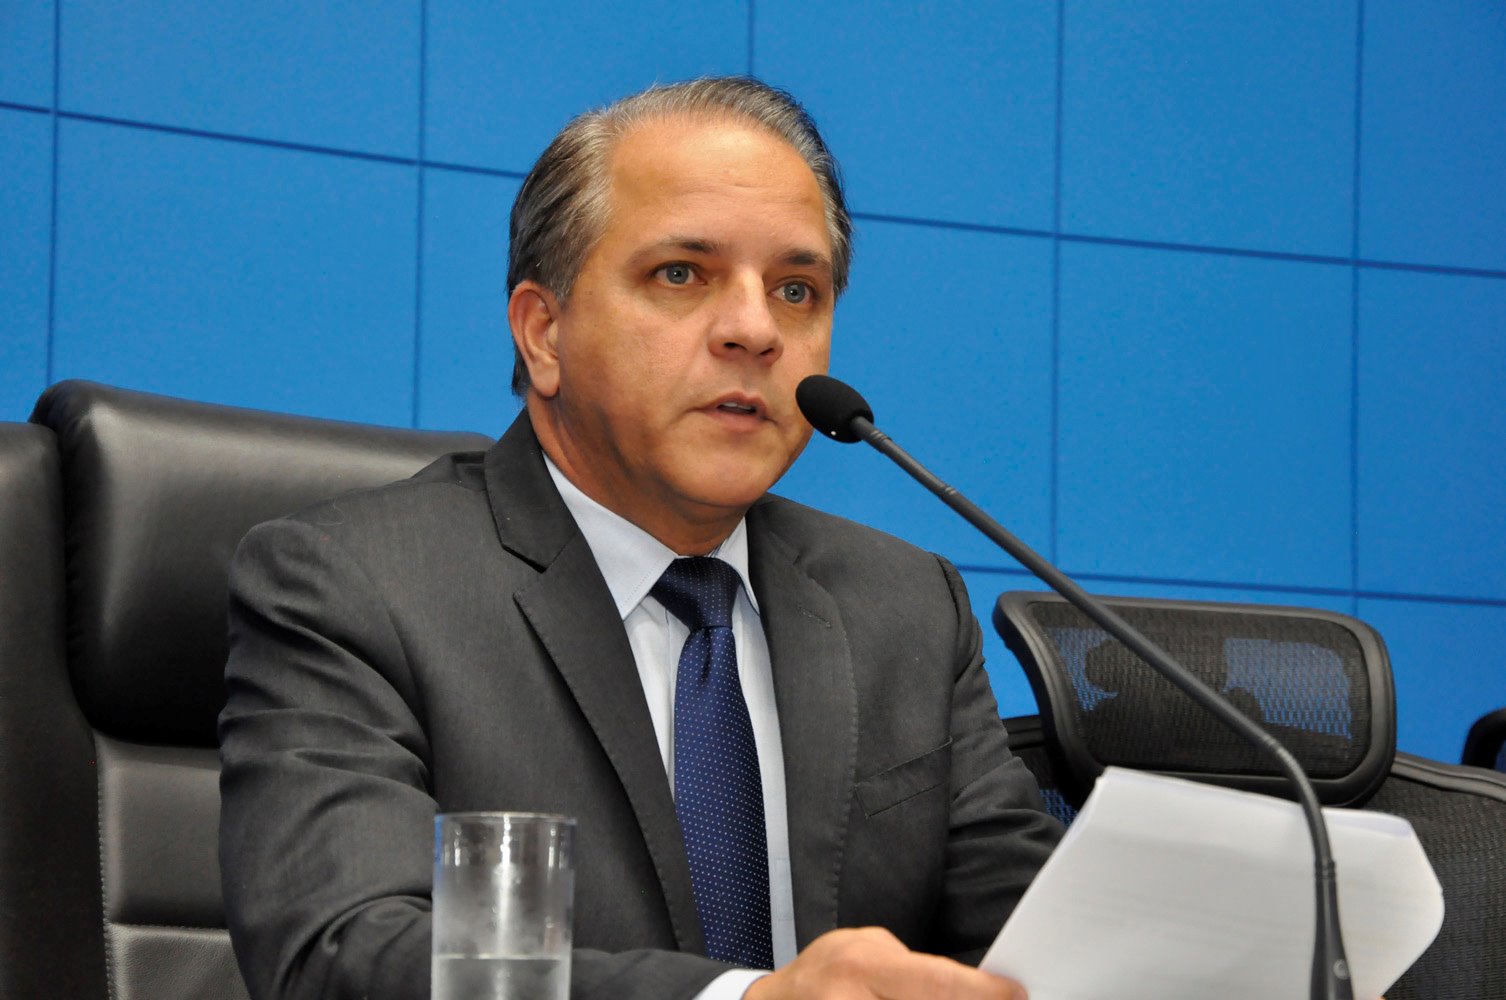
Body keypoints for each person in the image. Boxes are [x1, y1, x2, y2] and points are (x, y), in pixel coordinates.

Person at [218, 76, 1063, 1000]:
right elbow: (344, 953)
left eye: (796, 290)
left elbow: (1042, 945)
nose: (755, 331)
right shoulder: (353, 588)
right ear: (544, 334)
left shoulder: (905, 607)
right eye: (681, 274)